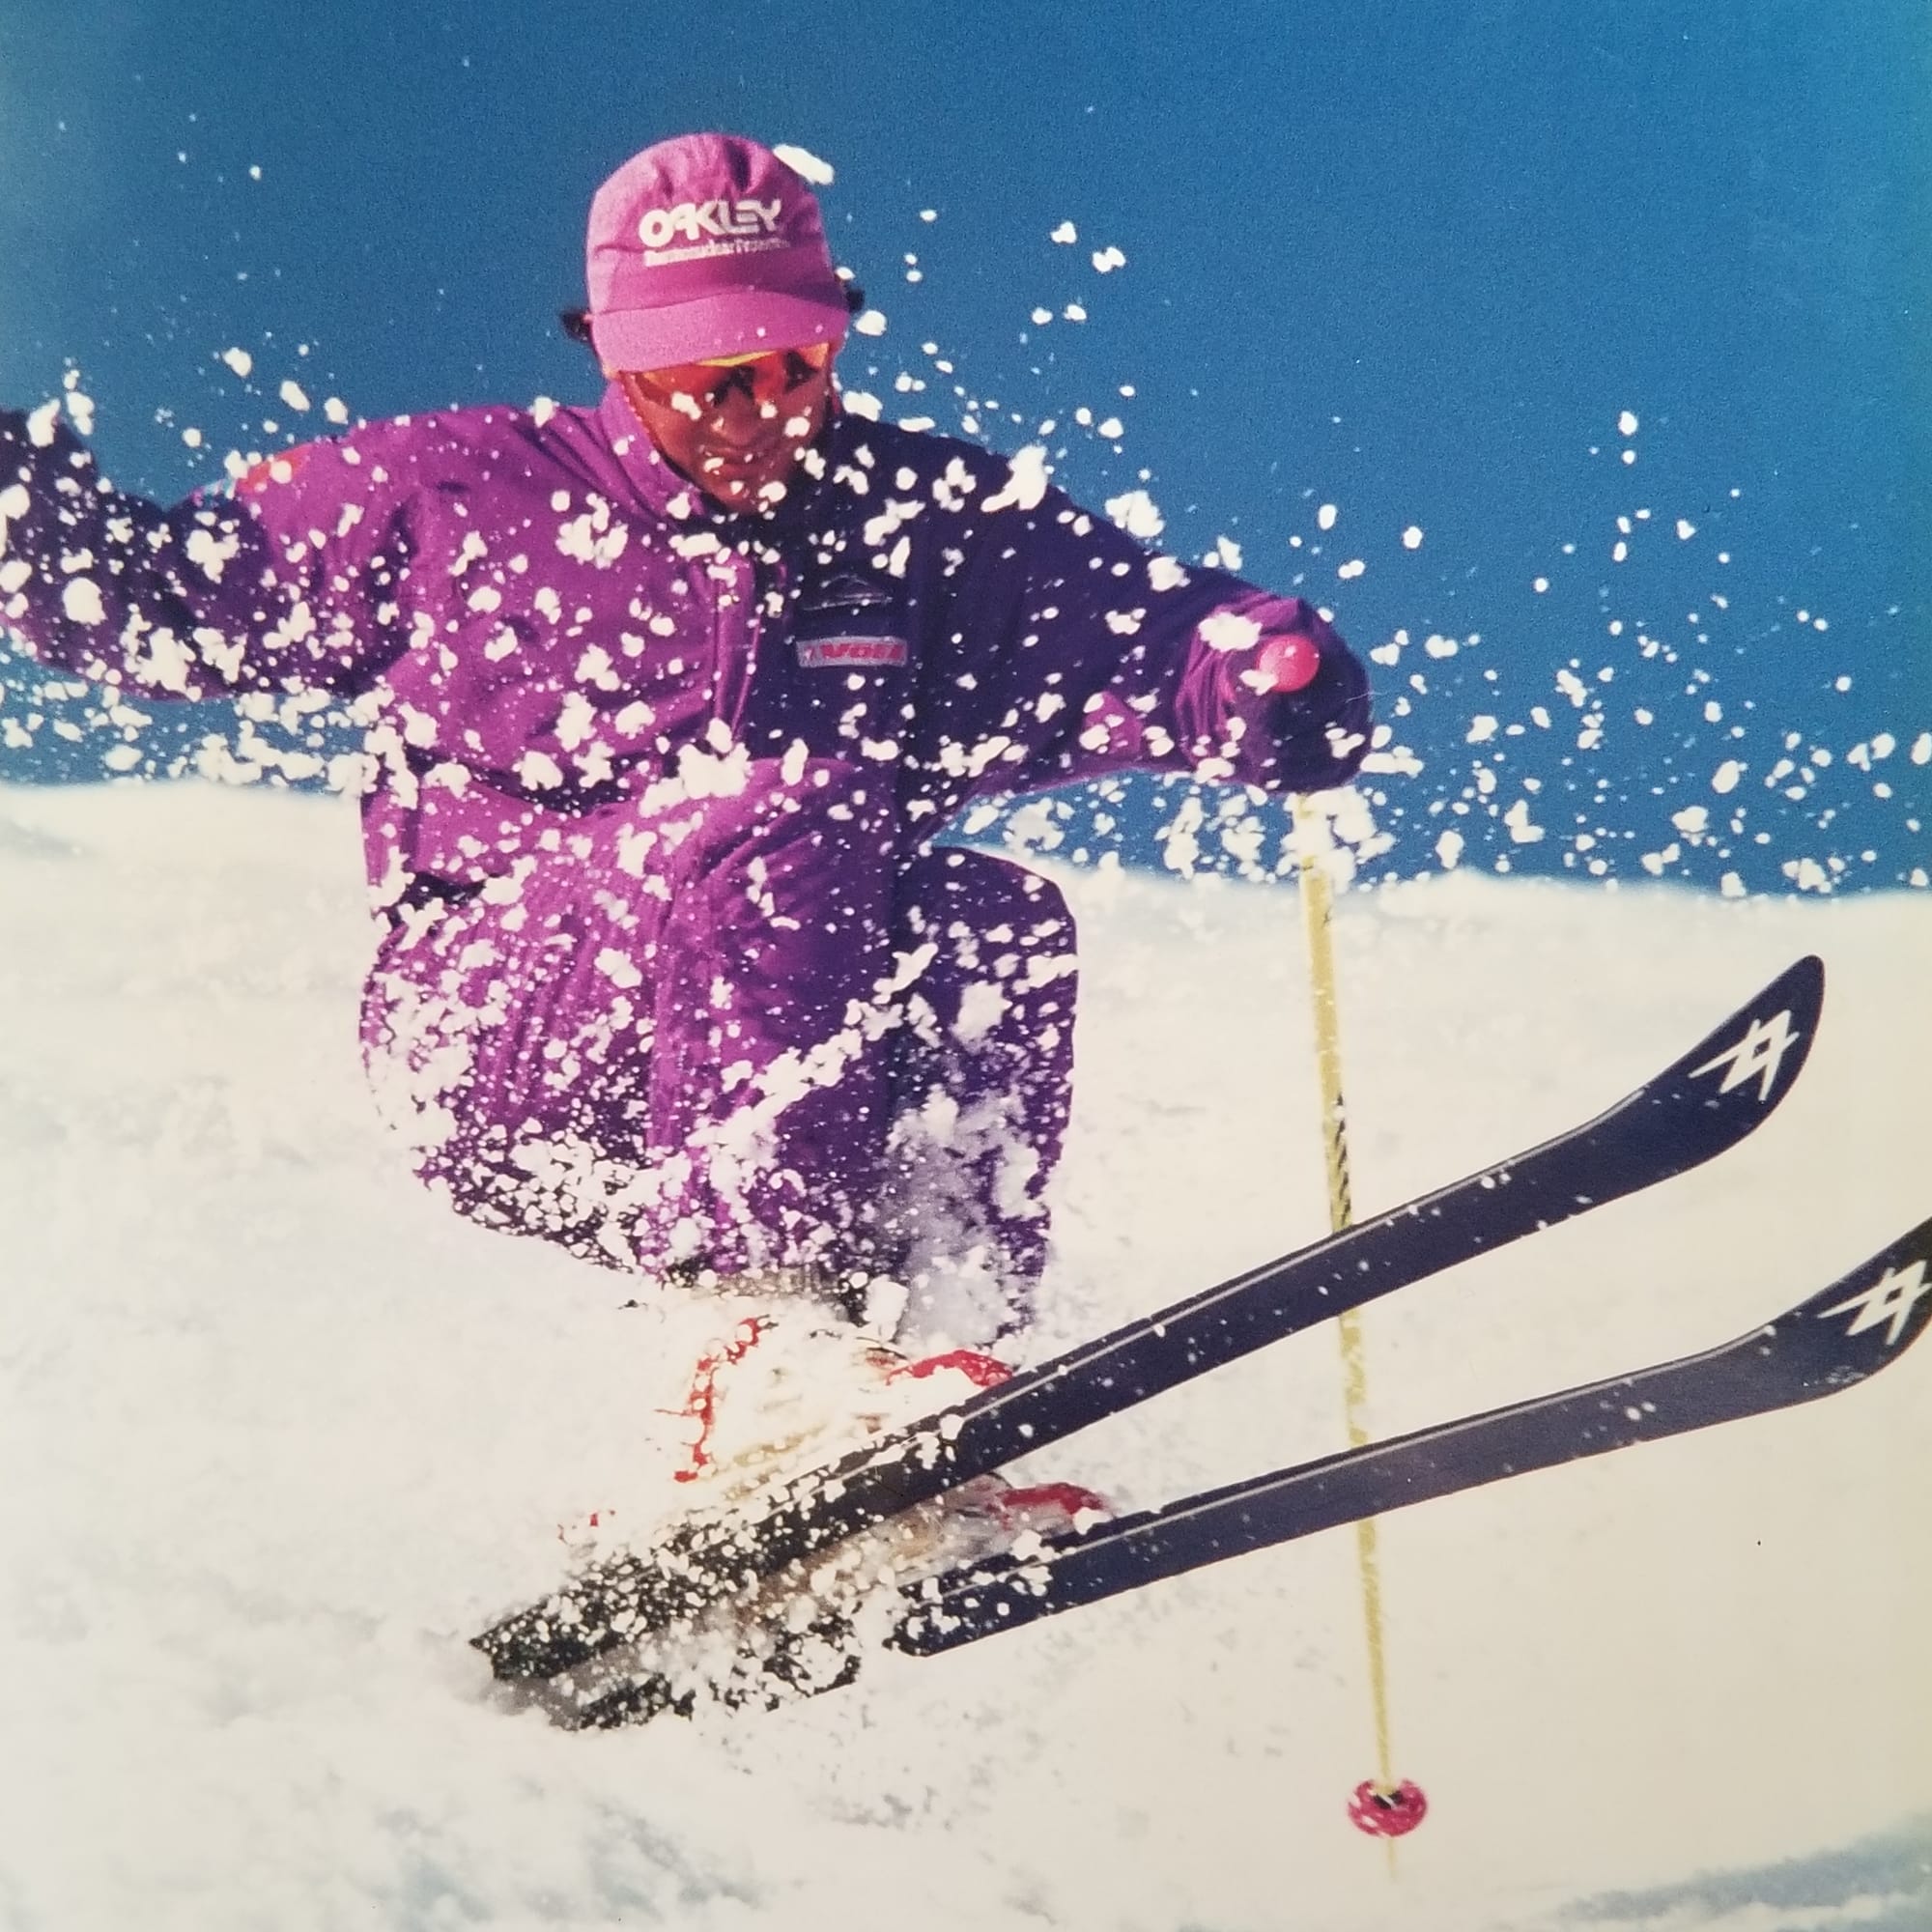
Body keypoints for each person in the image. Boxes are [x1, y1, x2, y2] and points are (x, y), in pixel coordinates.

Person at [0, 132, 1371, 1366]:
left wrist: (1263, 678)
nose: (755, 409)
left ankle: (933, 1362)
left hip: (781, 1042)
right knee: (778, 811)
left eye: (793, 366)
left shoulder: (915, 522)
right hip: (498, 1035)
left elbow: (1148, 633)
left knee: (990, 921)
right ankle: (766, 1346)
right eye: (705, 376)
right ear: (611, 352)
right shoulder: (460, 497)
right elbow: (158, 594)